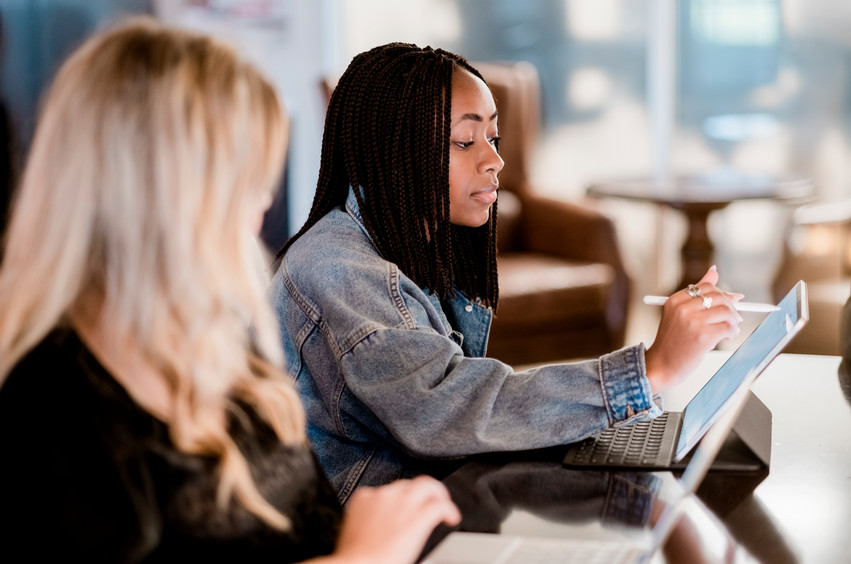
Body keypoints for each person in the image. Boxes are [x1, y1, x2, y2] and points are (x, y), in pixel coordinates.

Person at [0, 20, 459, 563]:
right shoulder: (48, 405)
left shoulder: (225, 354)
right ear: (160, 194)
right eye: (243, 181)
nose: (262, 202)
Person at [270, 42, 744, 502]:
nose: (495, 160)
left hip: (416, 494)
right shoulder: (340, 269)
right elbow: (446, 409)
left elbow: (460, 399)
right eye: (464, 140)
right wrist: (648, 370)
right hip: (356, 533)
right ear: (392, 150)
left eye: (493, 139)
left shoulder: (410, 243)